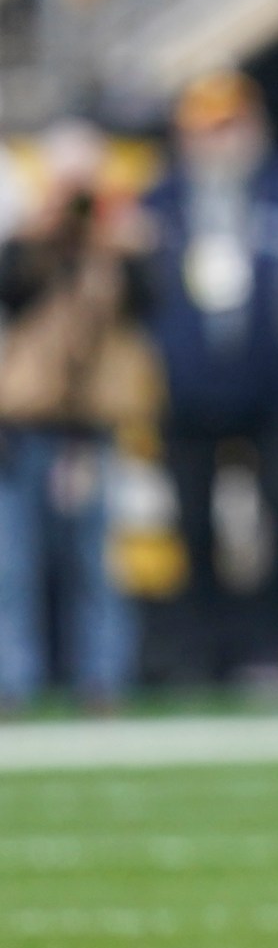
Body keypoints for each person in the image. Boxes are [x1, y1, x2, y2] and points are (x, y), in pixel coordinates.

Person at [139, 71, 278, 684]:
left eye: (228, 123)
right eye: (205, 126)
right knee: (193, 526)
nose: (219, 139)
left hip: (272, 386)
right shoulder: (157, 202)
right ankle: (202, 657)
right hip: (187, 390)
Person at [0, 120, 158, 714]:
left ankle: (103, 680)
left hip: (90, 424)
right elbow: (10, 293)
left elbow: (150, 303)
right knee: (12, 564)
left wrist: (116, 242)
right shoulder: (27, 241)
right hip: (24, 420)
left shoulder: (119, 244)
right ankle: (12, 681)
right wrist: (41, 236)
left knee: (96, 562)